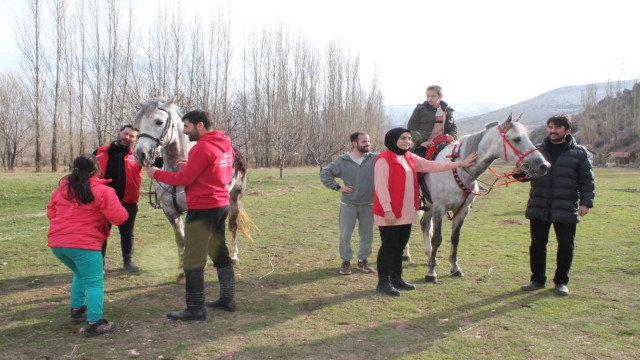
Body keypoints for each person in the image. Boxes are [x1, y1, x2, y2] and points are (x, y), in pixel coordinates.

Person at [145, 109, 236, 321]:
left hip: (203, 207)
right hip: (220, 204)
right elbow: (217, 170)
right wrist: (194, 167)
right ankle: (227, 299)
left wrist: (155, 173)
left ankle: (195, 309)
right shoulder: (224, 145)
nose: (185, 132)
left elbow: (183, 179)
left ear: (200, 125)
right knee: (219, 252)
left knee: (193, 258)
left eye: (187, 126)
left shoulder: (202, 147)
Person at [373, 127, 477, 296]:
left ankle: (396, 278)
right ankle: (383, 282)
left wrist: (460, 164)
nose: (407, 141)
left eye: (408, 138)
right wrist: (387, 209)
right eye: (403, 138)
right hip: (390, 212)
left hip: (406, 211)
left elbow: (433, 165)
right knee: (388, 247)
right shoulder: (383, 160)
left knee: (399, 247)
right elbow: (381, 187)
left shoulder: (410, 157)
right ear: (392, 139)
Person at [47, 154, 129, 337]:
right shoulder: (103, 191)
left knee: (80, 274)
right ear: (96, 170)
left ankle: (77, 310)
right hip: (84, 244)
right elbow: (119, 217)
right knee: (94, 281)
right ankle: (94, 323)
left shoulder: (61, 189)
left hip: (58, 244)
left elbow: (51, 213)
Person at [515, 114, 595, 296]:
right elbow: (526, 176)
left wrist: (586, 203)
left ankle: (561, 282)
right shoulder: (537, 150)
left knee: (566, 245)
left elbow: (587, 180)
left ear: (568, 131)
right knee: (537, 245)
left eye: (557, 128)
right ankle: (537, 280)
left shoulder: (579, 153)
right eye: (550, 127)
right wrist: (518, 173)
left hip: (566, 206)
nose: (553, 131)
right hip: (539, 204)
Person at [320, 132, 378, 275]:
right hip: (349, 205)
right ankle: (346, 261)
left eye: (368, 141)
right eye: (364, 141)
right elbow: (325, 174)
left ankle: (363, 260)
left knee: (367, 235)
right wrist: (339, 188)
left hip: (369, 204)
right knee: (345, 235)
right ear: (354, 143)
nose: (368, 144)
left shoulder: (375, 158)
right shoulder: (342, 160)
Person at [93, 125, 143, 272]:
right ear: (118, 133)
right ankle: (99, 262)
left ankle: (128, 261)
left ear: (135, 140)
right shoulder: (99, 152)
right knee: (101, 232)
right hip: (102, 201)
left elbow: (157, 162)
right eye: (125, 133)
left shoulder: (138, 155)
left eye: (131, 136)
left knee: (127, 233)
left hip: (128, 200)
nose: (127, 138)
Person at [407, 85, 457, 160]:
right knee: (415, 162)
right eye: (428, 96)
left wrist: (452, 136)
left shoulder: (447, 111)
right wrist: (421, 142)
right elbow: (410, 127)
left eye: (433, 96)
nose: (430, 98)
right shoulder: (420, 109)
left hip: (443, 143)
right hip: (424, 145)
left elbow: (453, 126)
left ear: (440, 96)